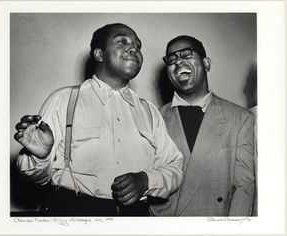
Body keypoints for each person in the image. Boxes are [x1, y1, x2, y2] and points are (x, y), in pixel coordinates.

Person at [14, 23, 183, 217]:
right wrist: (39, 156)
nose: (134, 48)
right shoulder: (64, 100)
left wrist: (146, 180)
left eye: (138, 45)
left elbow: (174, 167)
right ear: (99, 55)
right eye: (122, 41)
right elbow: (37, 178)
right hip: (73, 216)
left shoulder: (150, 111)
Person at [150, 35, 255, 216]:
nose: (178, 62)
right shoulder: (153, 118)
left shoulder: (241, 118)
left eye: (187, 54)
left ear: (206, 64)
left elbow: (244, 187)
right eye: (171, 59)